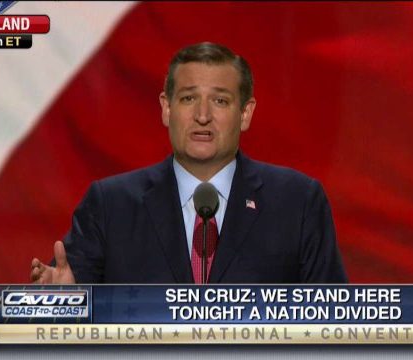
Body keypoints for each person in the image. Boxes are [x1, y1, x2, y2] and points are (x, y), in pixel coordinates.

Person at [30, 42, 347, 284]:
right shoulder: (111, 205)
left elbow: (334, 323)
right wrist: (63, 305)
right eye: (188, 98)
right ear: (166, 109)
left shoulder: (297, 202)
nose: (203, 115)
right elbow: (65, 316)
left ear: (246, 113)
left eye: (220, 100)